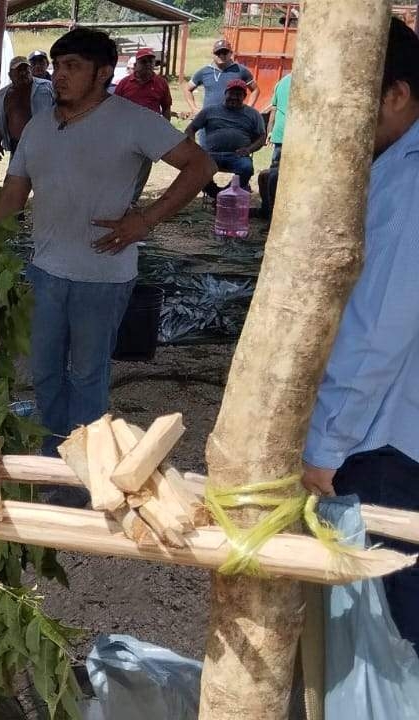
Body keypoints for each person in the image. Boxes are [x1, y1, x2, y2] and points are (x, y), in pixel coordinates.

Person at [0, 28, 214, 459]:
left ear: (104, 72)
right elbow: (12, 198)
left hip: (103, 276)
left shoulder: (132, 120)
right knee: (45, 375)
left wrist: (145, 220)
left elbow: (201, 165)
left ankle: (87, 466)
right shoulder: (39, 128)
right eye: (57, 66)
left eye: (73, 66)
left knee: (88, 376)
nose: (59, 76)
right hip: (45, 272)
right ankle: (53, 459)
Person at [301, 17, 419, 645]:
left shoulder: (410, 181)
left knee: (397, 615)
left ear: (395, 94)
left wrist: (325, 445)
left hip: (395, 441)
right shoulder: (397, 164)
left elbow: (380, 330)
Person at [186, 79, 267, 193]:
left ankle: (227, 193)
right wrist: (194, 148)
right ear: (225, 94)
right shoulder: (210, 111)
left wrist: (248, 149)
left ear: (244, 96)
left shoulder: (253, 114)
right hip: (211, 154)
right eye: (231, 93)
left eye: (238, 94)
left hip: (238, 155)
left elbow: (262, 136)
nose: (234, 97)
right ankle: (214, 193)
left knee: (247, 168)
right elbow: (190, 129)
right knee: (197, 166)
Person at [0, 56, 55, 154]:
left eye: (26, 69)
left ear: (30, 70)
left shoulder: (47, 87)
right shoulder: (3, 95)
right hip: (16, 146)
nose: (23, 73)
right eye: (18, 70)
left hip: (44, 145)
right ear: (10, 75)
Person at [185, 39, 256, 116]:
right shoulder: (204, 72)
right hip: (208, 119)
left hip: (232, 118)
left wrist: (248, 108)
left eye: (225, 53)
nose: (221, 56)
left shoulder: (240, 70)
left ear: (231, 53)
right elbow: (188, 89)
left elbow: (255, 90)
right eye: (218, 53)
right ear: (213, 54)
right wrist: (193, 108)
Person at [258, 72, 292, 220]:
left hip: (280, 133)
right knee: (276, 173)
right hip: (292, 133)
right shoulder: (308, 82)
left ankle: (270, 209)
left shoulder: (282, 82)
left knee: (275, 172)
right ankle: (272, 211)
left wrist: (270, 130)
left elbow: (274, 109)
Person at [114, 48, 173, 119]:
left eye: (150, 62)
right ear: (135, 65)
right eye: (144, 62)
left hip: (152, 126)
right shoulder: (124, 83)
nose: (148, 64)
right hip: (128, 126)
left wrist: (165, 127)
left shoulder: (161, 83)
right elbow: (115, 106)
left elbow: (166, 108)